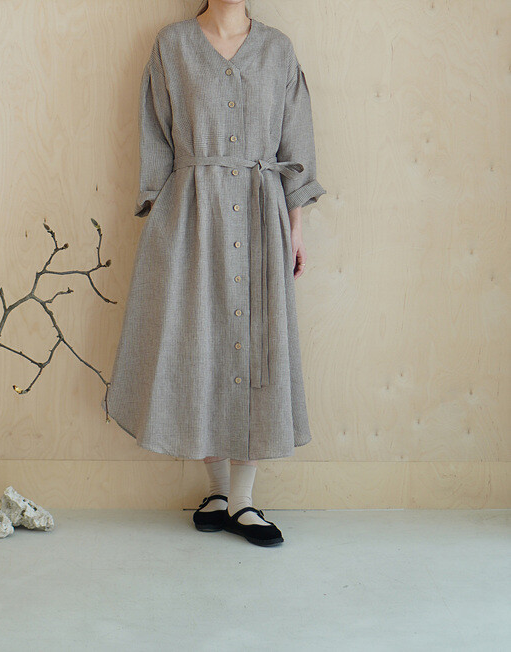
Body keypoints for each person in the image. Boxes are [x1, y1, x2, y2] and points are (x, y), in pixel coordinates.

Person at [102, 0, 326, 547]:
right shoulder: (173, 45)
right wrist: (160, 221)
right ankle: (218, 492)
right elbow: (155, 137)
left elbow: (296, 143)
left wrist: (295, 229)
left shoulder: (277, 50)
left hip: (261, 216)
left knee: (256, 345)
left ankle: (245, 500)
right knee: (198, 344)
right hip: (191, 218)